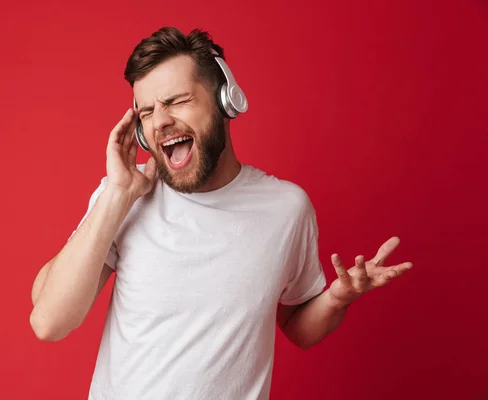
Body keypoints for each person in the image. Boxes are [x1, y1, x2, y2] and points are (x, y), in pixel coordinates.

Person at [29, 26, 413, 400]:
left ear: (226, 101)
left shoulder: (286, 209)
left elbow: (297, 327)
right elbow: (49, 322)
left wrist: (336, 299)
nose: (160, 120)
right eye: (146, 111)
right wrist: (116, 196)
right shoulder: (124, 198)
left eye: (176, 100)